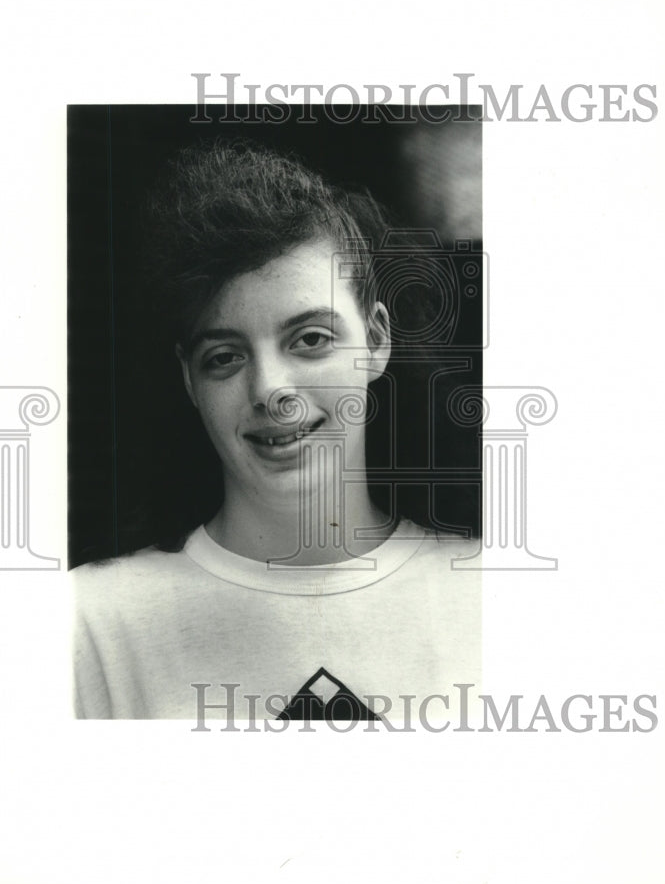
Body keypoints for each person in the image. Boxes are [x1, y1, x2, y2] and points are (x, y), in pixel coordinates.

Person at [72, 140, 480, 723]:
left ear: (377, 341)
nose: (270, 389)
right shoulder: (89, 627)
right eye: (225, 356)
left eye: (310, 339)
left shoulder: (493, 595)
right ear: (189, 381)